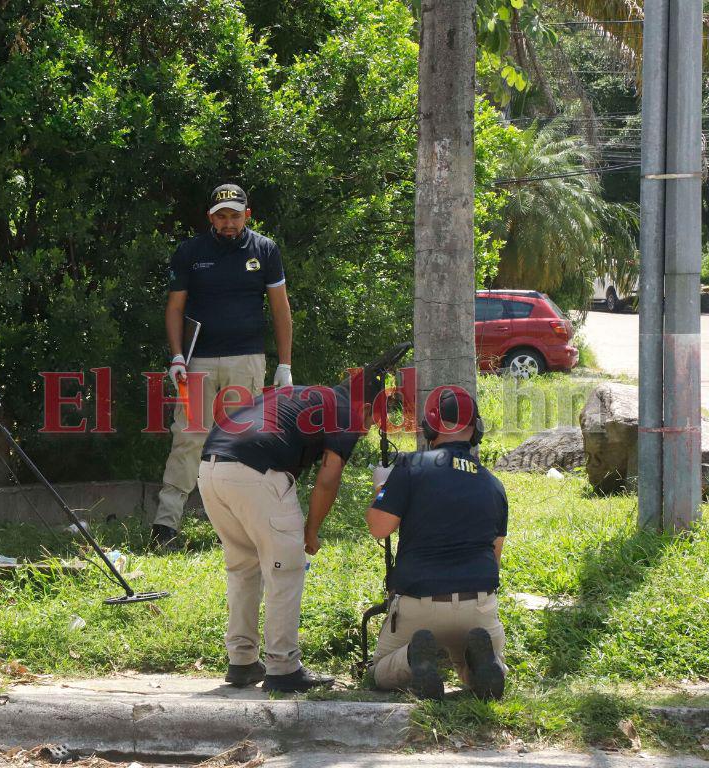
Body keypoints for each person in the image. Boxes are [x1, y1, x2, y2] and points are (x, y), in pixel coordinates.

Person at [196, 371, 380, 692]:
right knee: (287, 566)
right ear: (365, 405)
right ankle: (283, 668)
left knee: (243, 565)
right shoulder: (345, 410)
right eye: (374, 417)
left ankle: (242, 661)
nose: (371, 426)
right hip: (254, 470)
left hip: (211, 467)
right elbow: (329, 475)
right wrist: (310, 531)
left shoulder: (303, 395)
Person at [153, 183, 294, 550]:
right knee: (188, 437)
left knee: (240, 444)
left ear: (247, 214)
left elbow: (280, 309)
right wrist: (177, 356)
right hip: (197, 359)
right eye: (221, 216)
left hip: (246, 359)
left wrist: (285, 364)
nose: (228, 222)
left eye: (234, 215)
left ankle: (241, 528)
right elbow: (174, 308)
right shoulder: (190, 251)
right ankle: (165, 525)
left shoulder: (265, 249)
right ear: (210, 218)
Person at [366, 389, 508, 701]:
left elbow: (379, 527)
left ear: (429, 429)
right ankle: (480, 664)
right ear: (477, 431)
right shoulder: (493, 484)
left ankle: (413, 659)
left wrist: (381, 488)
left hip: (420, 605)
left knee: (378, 671)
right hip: (479, 605)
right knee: (484, 668)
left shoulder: (410, 467)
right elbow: (494, 558)